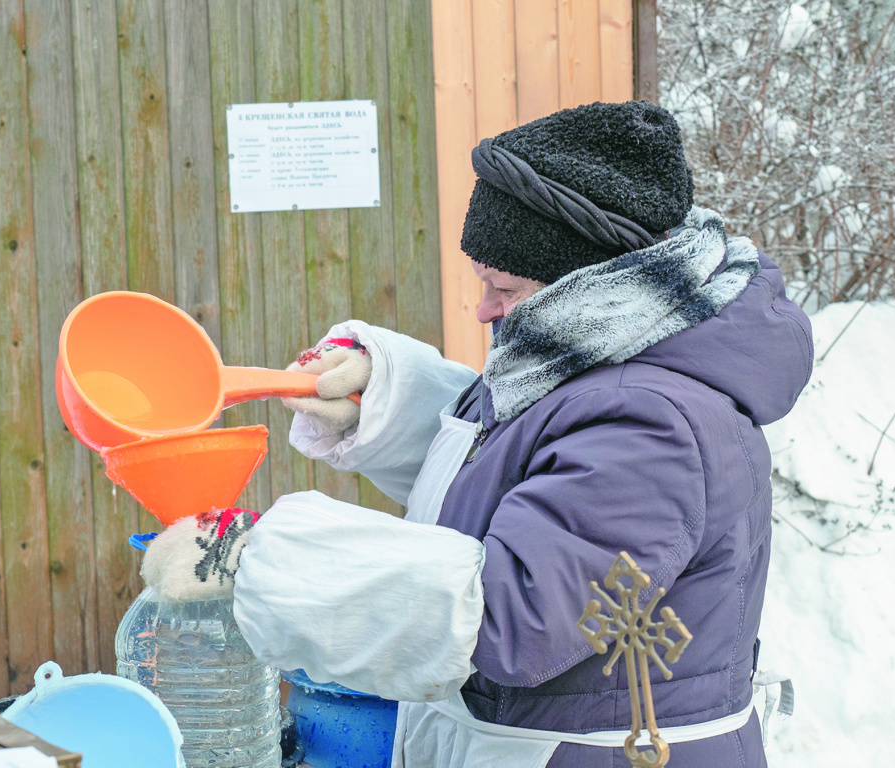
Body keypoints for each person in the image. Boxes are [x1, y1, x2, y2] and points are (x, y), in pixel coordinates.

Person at [143, 100, 813, 767]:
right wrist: (381, 399)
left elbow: (512, 613)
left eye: (507, 288)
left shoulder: (654, 423)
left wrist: (256, 558)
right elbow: (525, 475)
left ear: (588, 285)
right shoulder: (587, 351)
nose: (483, 306)